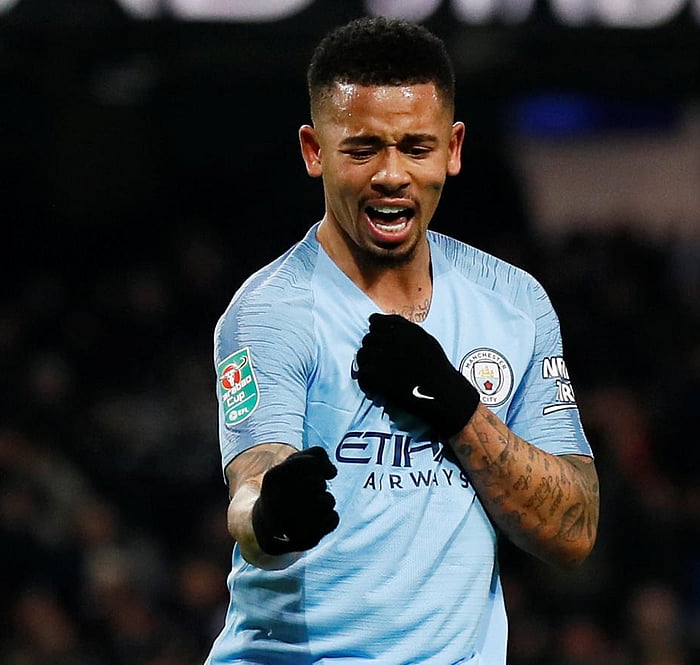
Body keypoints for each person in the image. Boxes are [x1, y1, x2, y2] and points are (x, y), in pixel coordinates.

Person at [205, 16, 599, 665]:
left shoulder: (513, 303)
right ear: (313, 150)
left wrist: (458, 410)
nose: (392, 174)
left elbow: (576, 527)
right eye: (362, 148)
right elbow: (251, 487)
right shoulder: (272, 311)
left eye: (416, 147)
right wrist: (273, 512)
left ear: (454, 147)